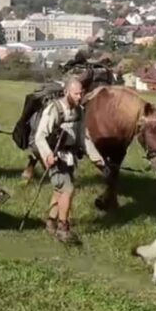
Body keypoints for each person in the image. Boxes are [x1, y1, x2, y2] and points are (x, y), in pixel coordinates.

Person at [33, 77, 108, 243]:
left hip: (70, 157)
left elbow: (83, 137)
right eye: (76, 94)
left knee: (59, 190)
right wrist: (47, 155)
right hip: (54, 156)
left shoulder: (79, 111)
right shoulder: (54, 109)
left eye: (81, 93)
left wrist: (97, 159)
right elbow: (40, 136)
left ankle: (50, 222)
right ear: (66, 92)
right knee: (68, 190)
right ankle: (63, 228)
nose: (79, 96)